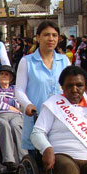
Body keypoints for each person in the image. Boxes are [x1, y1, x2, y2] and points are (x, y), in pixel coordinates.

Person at [16, 21, 70, 152]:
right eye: (46, 35)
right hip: (37, 117)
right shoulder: (27, 61)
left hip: (61, 117)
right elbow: (19, 89)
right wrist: (27, 105)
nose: (51, 39)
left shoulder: (64, 61)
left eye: (54, 35)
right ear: (38, 37)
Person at [0, 65, 26, 172]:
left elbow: (19, 102)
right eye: (1, 74)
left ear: (11, 78)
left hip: (15, 115)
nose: (3, 76)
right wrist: (9, 104)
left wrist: (0, 101)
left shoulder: (15, 89)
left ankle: (24, 159)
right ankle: (9, 160)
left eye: (6, 74)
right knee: (4, 126)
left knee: (16, 126)